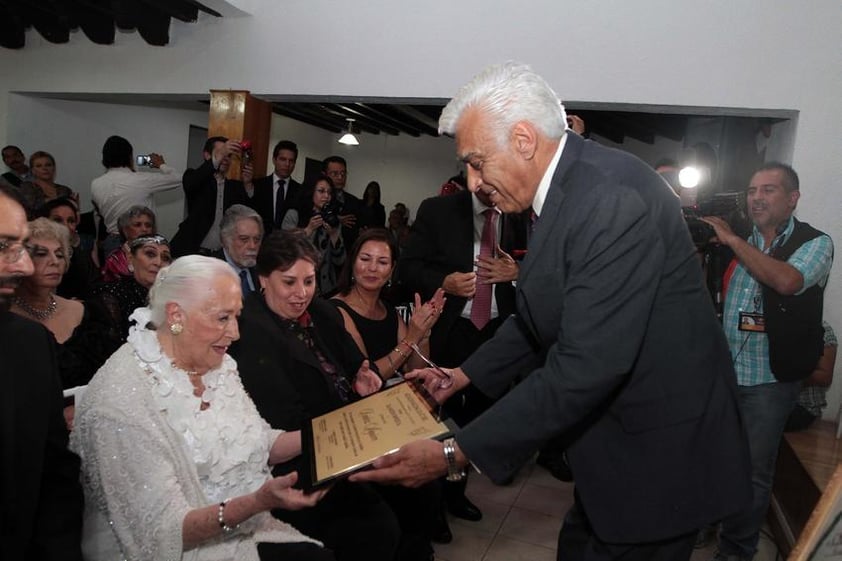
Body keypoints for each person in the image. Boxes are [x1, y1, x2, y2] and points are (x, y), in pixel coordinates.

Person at [351, 62, 751, 561]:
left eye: (476, 161)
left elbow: (586, 364)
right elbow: (540, 315)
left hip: (657, 460)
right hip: (615, 452)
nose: (471, 181)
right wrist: (463, 376)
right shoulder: (565, 189)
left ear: (523, 139)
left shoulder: (609, 198)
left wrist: (454, 452)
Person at [70, 255, 332, 561]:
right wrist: (255, 503)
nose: (235, 333)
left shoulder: (215, 362)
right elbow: (161, 533)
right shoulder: (121, 401)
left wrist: (329, 434)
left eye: (236, 316)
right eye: (223, 318)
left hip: (243, 527)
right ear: (176, 316)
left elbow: (258, 440)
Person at [230, 230, 401, 561]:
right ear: (263, 279)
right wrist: (358, 428)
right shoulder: (252, 331)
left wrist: (362, 378)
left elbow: (357, 365)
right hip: (303, 460)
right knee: (377, 528)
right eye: (289, 282)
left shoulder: (322, 311)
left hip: (347, 435)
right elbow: (284, 421)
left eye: (309, 281)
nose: (301, 294)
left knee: (413, 480)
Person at [702, 162, 833, 561]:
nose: (756, 197)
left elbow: (787, 282)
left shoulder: (816, 243)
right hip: (723, 374)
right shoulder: (734, 242)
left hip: (771, 381)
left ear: (793, 199)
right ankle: (708, 521)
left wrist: (732, 240)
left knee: (754, 474)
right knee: (711, 459)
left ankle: (735, 552)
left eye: (769, 190)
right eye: (752, 189)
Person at [400, 186, 528, 527]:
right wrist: (444, 281)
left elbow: (543, 264)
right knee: (441, 418)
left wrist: (517, 273)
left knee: (477, 420)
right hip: (451, 330)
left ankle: (456, 495)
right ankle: (431, 506)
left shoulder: (517, 209)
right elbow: (407, 266)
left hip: (497, 333)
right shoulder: (438, 209)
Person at [0, 187, 84, 561]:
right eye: (5, 246)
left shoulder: (30, 344)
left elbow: (54, 477)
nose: (24, 266)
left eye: (21, 247)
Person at [10, 218, 119, 417]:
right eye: (41, 254)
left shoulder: (90, 313)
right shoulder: (7, 321)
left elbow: (115, 377)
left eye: (60, 254)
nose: (54, 261)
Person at [332, 227, 446, 383]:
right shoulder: (335, 310)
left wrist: (423, 334)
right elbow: (365, 379)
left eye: (382, 262)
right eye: (365, 259)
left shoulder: (389, 311)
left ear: (392, 269)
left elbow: (412, 371)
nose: (372, 268)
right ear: (352, 262)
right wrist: (411, 338)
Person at [90, 135, 181, 256]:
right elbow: (178, 179)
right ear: (129, 157)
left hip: (111, 242)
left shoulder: (95, 184)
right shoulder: (141, 180)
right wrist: (161, 164)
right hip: (139, 241)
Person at [170, 136, 252, 257]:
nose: (225, 158)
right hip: (192, 252)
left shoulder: (235, 187)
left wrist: (248, 184)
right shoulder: (194, 177)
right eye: (220, 153)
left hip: (221, 255)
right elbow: (191, 183)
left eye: (228, 156)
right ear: (207, 155)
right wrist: (220, 155)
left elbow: (247, 213)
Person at [92, 234, 171, 340]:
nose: (158, 262)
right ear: (130, 259)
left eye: (165, 257)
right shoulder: (112, 295)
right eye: (150, 254)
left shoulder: (172, 296)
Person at [281, 175, 345, 295]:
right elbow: (284, 250)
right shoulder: (294, 215)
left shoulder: (332, 220)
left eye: (329, 192)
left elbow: (340, 261)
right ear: (310, 192)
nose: (326, 196)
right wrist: (308, 230)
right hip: (297, 285)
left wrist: (334, 235)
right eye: (321, 191)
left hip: (326, 289)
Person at [39, 196, 101, 299]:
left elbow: (96, 288)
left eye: (71, 221)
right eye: (58, 220)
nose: (66, 227)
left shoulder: (80, 256)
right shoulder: (32, 257)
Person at [785, 321, 836, 431]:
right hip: (769, 399)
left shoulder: (821, 328)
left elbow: (825, 377)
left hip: (801, 407)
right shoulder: (771, 324)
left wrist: (786, 373)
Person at [252, 140, 303, 233]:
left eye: (291, 161)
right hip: (261, 241)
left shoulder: (300, 190)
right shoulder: (258, 185)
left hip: (287, 242)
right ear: (274, 160)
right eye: (283, 159)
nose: (287, 164)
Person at [214, 204, 264, 295]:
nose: (252, 246)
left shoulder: (263, 271)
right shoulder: (210, 273)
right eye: (244, 239)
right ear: (225, 240)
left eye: (257, 239)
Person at [322, 156, 369, 249]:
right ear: (324, 175)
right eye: (335, 174)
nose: (340, 177)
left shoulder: (354, 202)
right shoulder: (317, 198)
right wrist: (336, 219)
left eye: (343, 174)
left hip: (346, 252)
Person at [100, 205, 156, 282]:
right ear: (125, 229)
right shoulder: (114, 260)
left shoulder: (160, 253)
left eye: (148, 225)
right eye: (137, 225)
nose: (144, 229)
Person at [18, 150, 76, 217]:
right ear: (33, 170)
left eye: (48, 165)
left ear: (54, 168)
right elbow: (28, 213)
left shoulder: (65, 190)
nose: (44, 168)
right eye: (39, 166)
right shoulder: (28, 187)